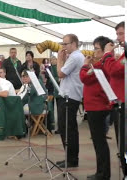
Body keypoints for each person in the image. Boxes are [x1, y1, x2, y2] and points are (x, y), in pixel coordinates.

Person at [80, 36, 113, 180]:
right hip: (96, 105)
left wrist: (85, 65)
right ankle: (101, 172)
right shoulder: (100, 64)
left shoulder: (100, 66)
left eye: (96, 49)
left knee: (99, 142)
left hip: (97, 106)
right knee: (99, 141)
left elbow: (84, 78)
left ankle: (103, 173)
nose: (94, 52)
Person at [56, 34, 84, 168]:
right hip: (69, 95)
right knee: (66, 128)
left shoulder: (75, 57)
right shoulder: (74, 56)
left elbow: (60, 74)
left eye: (65, 44)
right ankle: (70, 157)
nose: (63, 47)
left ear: (73, 44)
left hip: (70, 97)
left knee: (67, 128)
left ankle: (72, 159)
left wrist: (59, 60)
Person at [102, 21, 126, 176]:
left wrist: (107, 54)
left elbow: (114, 70)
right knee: (121, 143)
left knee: (124, 144)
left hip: (123, 102)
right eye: (117, 34)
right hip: (119, 101)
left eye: (121, 34)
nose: (118, 38)